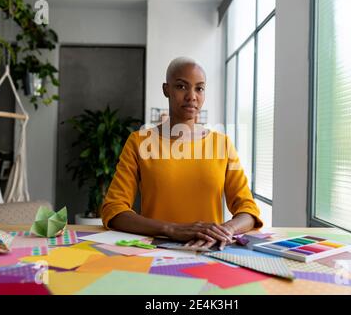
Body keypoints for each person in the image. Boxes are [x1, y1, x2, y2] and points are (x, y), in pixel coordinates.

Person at [101, 57, 263, 250]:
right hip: (155, 251)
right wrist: (172, 229)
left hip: (210, 251)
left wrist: (225, 230)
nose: (192, 96)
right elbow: (114, 210)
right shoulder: (139, 142)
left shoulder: (222, 144)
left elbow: (248, 210)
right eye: (181, 86)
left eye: (199, 88)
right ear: (166, 89)